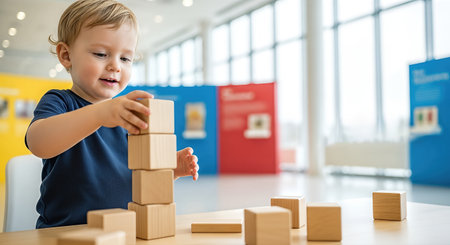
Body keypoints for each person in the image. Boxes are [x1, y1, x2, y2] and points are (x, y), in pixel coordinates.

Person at [25, 0, 199, 229]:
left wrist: (168, 172)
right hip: (65, 232)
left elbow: (133, 181)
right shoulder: (60, 101)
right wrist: (99, 114)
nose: (115, 66)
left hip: (123, 231)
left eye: (126, 58)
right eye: (100, 54)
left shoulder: (129, 114)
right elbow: (38, 143)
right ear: (66, 55)